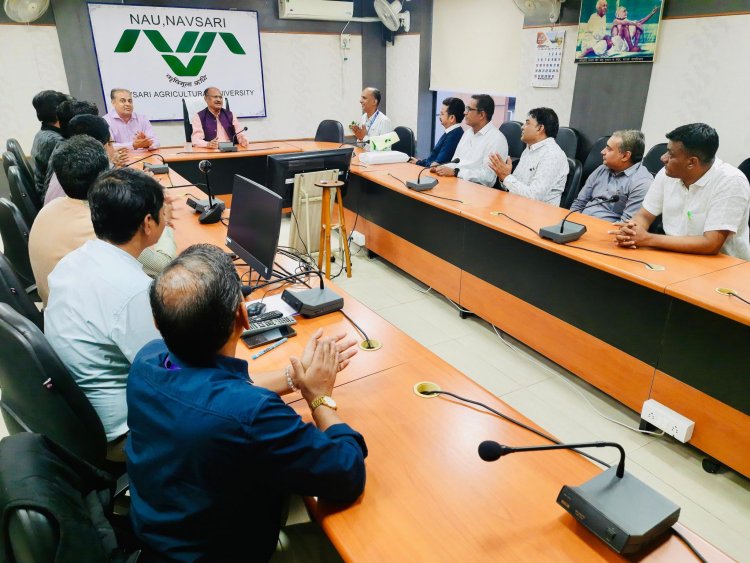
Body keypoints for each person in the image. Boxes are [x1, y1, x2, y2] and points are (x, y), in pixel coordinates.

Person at [126, 243, 366, 561]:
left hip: (158, 544)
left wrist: (297, 378)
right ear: (243, 314)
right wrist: (319, 396)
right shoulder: (252, 415)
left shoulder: (147, 362)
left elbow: (216, 390)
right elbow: (346, 474)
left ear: (158, 322)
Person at [44, 168, 169, 459]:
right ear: (148, 223)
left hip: (79, 419)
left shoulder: (73, 261)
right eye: (165, 210)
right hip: (124, 435)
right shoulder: (135, 293)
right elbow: (169, 375)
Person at [30, 133, 177, 304]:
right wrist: (163, 218)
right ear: (105, 177)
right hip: (93, 318)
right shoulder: (102, 227)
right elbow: (163, 265)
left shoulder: (48, 209)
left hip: (60, 311)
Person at [611, 123, 750, 259]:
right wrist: (632, 230)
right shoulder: (668, 173)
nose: (663, 158)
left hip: (722, 268)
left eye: (670, 154)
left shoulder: (731, 181)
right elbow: (644, 216)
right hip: (674, 254)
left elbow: (711, 244)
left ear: (691, 162)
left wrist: (646, 239)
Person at [488, 107, 569, 205]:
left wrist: (506, 177)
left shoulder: (553, 155)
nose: (522, 127)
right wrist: (503, 177)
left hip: (539, 215)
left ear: (540, 128)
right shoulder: (529, 149)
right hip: (516, 206)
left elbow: (534, 196)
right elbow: (515, 187)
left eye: (527, 123)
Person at [570, 130, 653, 221]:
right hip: (580, 223)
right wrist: (571, 222)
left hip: (606, 232)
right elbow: (579, 203)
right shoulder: (602, 169)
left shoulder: (642, 183)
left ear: (625, 156)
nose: (602, 152)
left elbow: (626, 225)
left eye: (609, 149)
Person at [43, 114, 127, 205]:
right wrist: (110, 165)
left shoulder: (66, 161)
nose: (113, 149)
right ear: (100, 146)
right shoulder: (90, 172)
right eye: (110, 143)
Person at [433, 94, 508, 187]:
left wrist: (456, 172)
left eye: (469, 109)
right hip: (457, 184)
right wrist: (441, 168)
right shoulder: (467, 133)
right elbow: (455, 162)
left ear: (481, 115)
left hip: (477, 192)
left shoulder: (496, 139)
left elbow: (488, 178)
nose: (465, 112)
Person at [30, 90, 70, 200]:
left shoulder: (42, 133)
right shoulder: (57, 141)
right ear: (59, 113)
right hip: (51, 198)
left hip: (42, 190)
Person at [413, 97, 465, 167]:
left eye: (442, 114)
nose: (439, 117)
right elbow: (433, 159)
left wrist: (419, 163)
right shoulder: (452, 132)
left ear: (452, 118)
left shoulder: (454, 136)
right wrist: (420, 162)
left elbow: (437, 165)